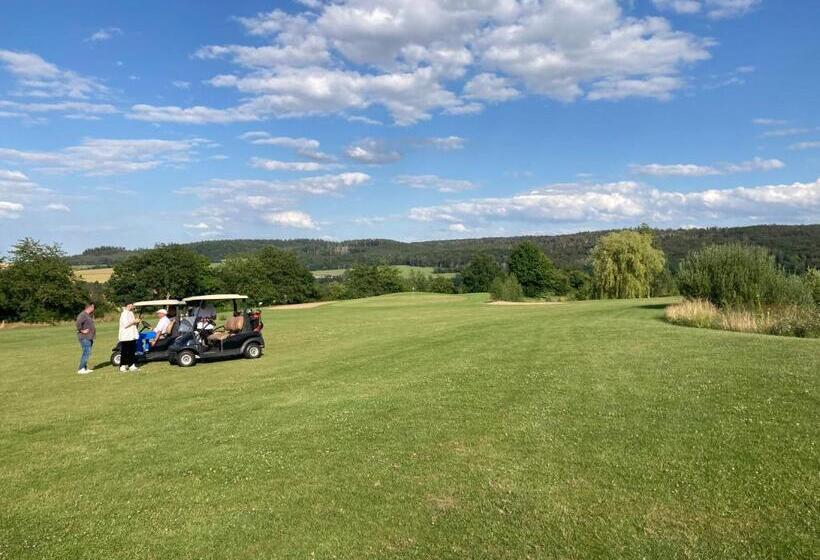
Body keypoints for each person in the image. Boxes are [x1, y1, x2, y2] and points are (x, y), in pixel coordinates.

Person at [118, 302, 141, 372]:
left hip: (132, 335)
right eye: (132, 304)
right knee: (125, 351)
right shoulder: (124, 314)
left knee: (132, 351)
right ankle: (122, 366)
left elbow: (133, 324)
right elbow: (125, 325)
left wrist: (136, 322)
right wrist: (134, 321)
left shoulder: (131, 313)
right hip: (126, 336)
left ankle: (131, 365)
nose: (133, 306)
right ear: (128, 305)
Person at [75, 302, 96, 374]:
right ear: (89, 307)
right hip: (84, 337)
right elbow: (78, 323)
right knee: (86, 352)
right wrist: (82, 330)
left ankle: (84, 368)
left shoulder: (88, 315)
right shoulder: (82, 315)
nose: (94, 309)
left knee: (87, 352)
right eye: (93, 307)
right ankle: (81, 369)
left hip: (89, 337)